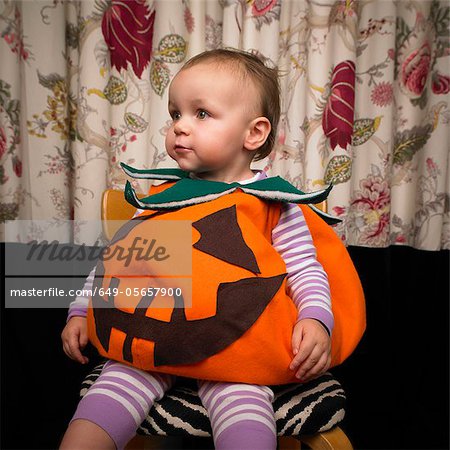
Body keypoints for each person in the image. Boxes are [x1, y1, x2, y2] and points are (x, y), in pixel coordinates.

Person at [60, 49, 333, 450]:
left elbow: (305, 269)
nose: (180, 127)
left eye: (201, 114)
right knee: (114, 387)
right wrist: (82, 310)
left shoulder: (273, 203)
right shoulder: (163, 197)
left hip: (237, 347)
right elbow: (119, 261)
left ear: (253, 133)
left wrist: (316, 317)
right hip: (153, 336)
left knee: (245, 400)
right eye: (175, 114)